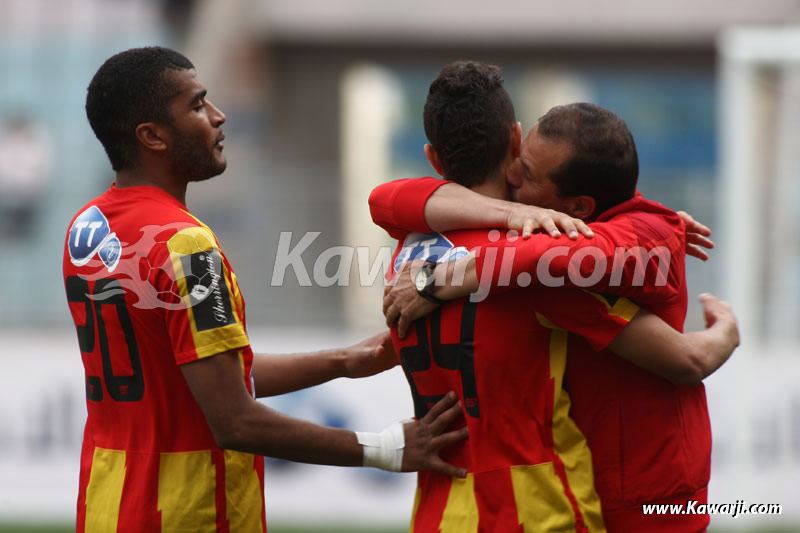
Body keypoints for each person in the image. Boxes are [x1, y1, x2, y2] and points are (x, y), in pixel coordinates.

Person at [62, 46, 470, 532]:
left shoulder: (88, 229)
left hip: (107, 505)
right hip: (185, 512)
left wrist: (342, 363)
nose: (218, 116)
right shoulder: (185, 246)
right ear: (152, 136)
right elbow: (234, 419)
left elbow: (191, 379)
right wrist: (386, 448)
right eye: (196, 106)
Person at [370, 61, 737, 532]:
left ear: (432, 157)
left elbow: (385, 198)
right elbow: (684, 359)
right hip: (536, 506)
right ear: (516, 138)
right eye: (521, 168)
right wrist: (726, 331)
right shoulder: (537, 270)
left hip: (442, 510)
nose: (519, 184)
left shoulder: (408, 248)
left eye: (531, 174)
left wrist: (356, 353)